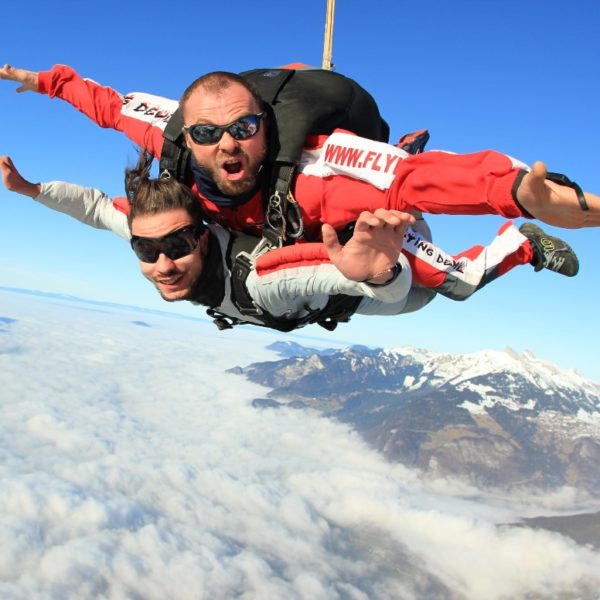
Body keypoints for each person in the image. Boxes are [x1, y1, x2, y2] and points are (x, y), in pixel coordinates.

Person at [1, 63, 598, 244]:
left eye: (244, 127)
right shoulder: (174, 137)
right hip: (246, 219)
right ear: (188, 136)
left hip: (320, 206)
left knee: (398, 232)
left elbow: (414, 180)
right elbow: (108, 105)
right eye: (208, 134)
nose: (228, 144)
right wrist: (45, 81)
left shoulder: (314, 173)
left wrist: (521, 194)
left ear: (265, 128)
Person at [1, 154, 579, 332]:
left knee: (455, 285)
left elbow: (332, 274)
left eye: (175, 247)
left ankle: (519, 239)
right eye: (146, 251)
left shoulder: (263, 278)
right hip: (357, 260)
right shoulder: (156, 232)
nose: (162, 263)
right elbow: (96, 207)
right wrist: (28, 189)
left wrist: (374, 271)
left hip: (378, 252)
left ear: (204, 235)